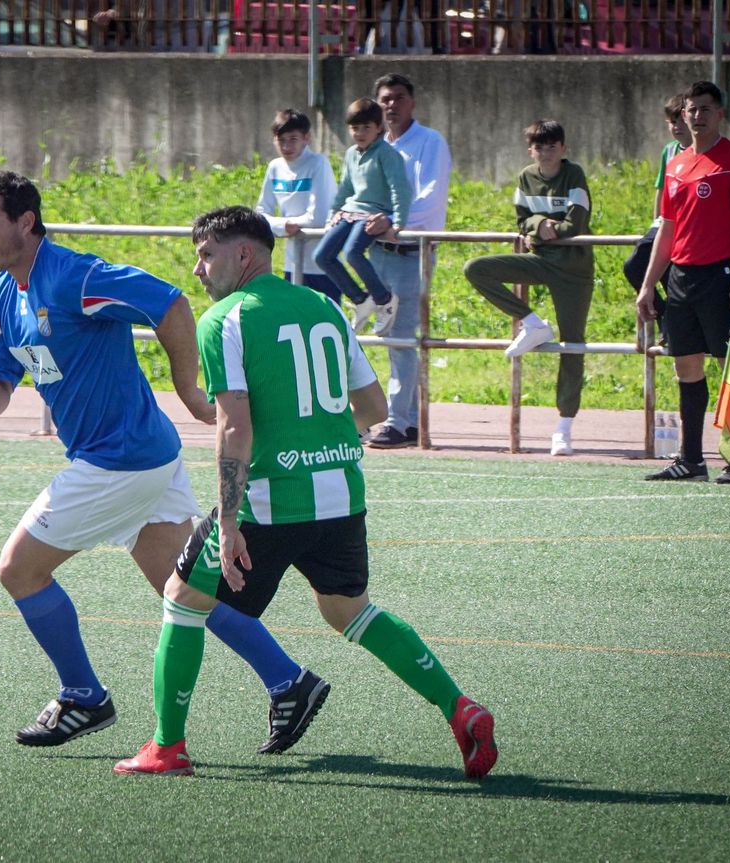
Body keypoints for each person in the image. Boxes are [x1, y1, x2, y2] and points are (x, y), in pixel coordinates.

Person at [0, 170, 327, 754]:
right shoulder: (4, 292)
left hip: (117, 461)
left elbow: (169, 303)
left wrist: (185, 387)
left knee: (18, 570)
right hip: (144, 457)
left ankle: (82, 695)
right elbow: (0, 372)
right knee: (183, 591)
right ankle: (289, 681)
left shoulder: (74, 277)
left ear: (25, 222)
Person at [113, 207, 497, 779]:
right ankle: (458, 706)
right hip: (341, 495)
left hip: (270, 501)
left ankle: (168, 747)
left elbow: (234, 427)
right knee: (349, 610)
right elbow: (375, 410)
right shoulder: (323, 307)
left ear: (244, 254)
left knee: (182, 597)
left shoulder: (224, 320)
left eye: (206, 254)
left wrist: (229, 516)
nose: (198, 268)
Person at [636, 81, 730, 484]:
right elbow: (668, 231)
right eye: (691, 109)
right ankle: (691, 459)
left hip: (722, 277)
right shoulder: (675, 163)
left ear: (720, 114)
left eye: (705, 109)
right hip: (681, 279)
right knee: (685, 367)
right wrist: (647, 285)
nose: (697, 116)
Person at [461, 119, 594, 457]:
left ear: (563, 149)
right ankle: (533, 323)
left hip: (573, 269)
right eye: (539, 147)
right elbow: (522, 219)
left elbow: (576, 221)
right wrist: (540, 225)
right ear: (530, 149)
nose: (545, 153)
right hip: (540, 260)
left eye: (552, 146)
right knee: (477, 269)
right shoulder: (525, 176)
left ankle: (564, 426)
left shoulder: (573, 174)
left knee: (573, 342)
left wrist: (552, 229)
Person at [363, 73, 451, 450]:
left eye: (399, 98)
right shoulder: (372, 145)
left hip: (411, 252)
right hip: (374, 252)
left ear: (412, 102)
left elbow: (432, 197)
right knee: (376, 334)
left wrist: (393, 221)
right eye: (385, 99)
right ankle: (400, 418)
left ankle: (399, 421)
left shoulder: (429, 143)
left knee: (402, 338)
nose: (391, 105)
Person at [312, 97, 410, 334]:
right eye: (355, 127)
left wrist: (397, 221)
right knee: (322, 255)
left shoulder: (387, 154)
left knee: (353, 252)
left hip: (373, 213)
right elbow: (345, 187)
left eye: (366, 127)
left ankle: (384, 299)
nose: (360, 133)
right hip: (351, 211)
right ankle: (360, 299)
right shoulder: (351, 154)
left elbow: (400, 188)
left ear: (379, 127)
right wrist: (332, 215)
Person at [622, 91, 694, 345]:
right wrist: (655, 223)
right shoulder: (669, 151)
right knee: (634, 266)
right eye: (672, 122)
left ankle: (676, 325)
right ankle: (663, 315)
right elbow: (661, 189)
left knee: (672, 273)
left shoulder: (701, 150)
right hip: (665, 223)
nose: (677, 127)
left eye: (681, 120)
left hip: (689, 227)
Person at [255, 108, 340, 302]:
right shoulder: (274, 167)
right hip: (292, 262)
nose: (286, 146)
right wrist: (283, 226)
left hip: (322, 263)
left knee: (328, 322)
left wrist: (284, 224)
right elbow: (260, 214)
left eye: (293, 139)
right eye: (281, 140)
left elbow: (319, 218)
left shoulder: (319, 163)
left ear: (306, 138)